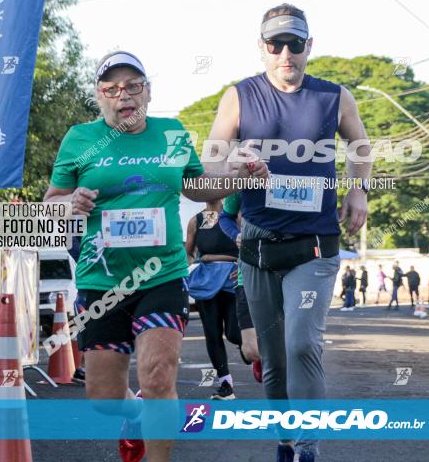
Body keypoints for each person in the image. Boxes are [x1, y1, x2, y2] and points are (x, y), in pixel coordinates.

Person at [44, 51, 268, 462]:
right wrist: (70, 201)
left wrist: (237, 174)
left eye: (133, 85)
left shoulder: (172, 133)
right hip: (102, 279)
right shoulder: (80, 138)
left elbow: (197, 186)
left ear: (148, 91)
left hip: (161, 272)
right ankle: (135, 416)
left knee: (159, 374)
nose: (123, 94)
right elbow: (51, 203)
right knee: (104, 397)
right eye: (111, 88)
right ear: (100, 96)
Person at [205, 3, 371, 462]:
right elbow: (210, 164)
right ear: (262, 48)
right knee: (273, 360)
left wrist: (358, 191)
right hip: (258, 245)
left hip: (313, 247)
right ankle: (284, 441)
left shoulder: (334, 97)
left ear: (308, 47)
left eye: (294, 44)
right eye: (275, 44)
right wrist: (234, 166)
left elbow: (359, 145)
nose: (285, 54)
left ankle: (308, 447)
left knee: (302, 344)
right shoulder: (238, 97)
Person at [185, 200, 243, 399]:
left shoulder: (235, 216)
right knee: (212, 333)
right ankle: (226, 384)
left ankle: (251, 348)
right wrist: (194, 267)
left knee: (234, 333)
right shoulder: (197, 220)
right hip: (207, 282)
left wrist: (236, 263)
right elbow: (189, 254)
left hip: (234, 280)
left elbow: (249, 246)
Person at [217, 191, 262, 382]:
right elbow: (225, 217)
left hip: (286, 273)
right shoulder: (245, 180)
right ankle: (259, 359)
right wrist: (236, 235)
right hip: (248, 273)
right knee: (252, 351)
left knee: (289, 344)